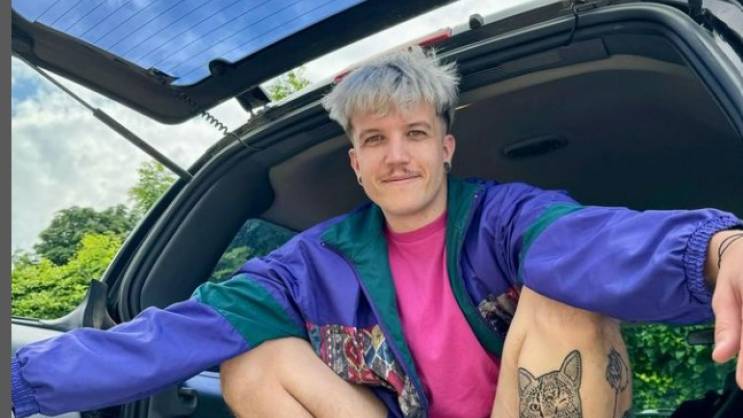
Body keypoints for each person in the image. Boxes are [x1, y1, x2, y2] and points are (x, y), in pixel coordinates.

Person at [11, 46, 743, 418]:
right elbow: (179, 333)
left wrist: (719, 248)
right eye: (374, 139)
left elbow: (591, 243)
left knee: (562, 286)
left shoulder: (504, 216)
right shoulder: (311, 264)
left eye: (415, 133)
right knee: (251, 359)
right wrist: (18, 385)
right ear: (355, 162)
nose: (397, 155)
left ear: (445, 148)